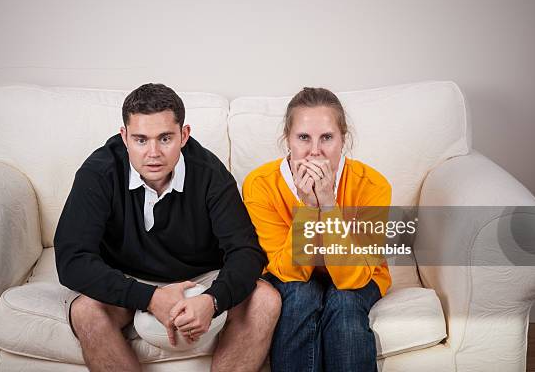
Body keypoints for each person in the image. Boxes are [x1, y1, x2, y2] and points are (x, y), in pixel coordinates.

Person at [54, 83, 281, 372]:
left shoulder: (210, 173)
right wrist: (149, 298)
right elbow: (72, 260)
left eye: (165, 138)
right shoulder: (99, 172)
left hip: (201, 278)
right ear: (124, 137)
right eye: (140, 140)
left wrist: (212, 301)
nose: (153, 153)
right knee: (86, 312)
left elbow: (246, 252)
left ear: (184, 135)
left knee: (266, 299)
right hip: (126, 275)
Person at [242, 87, 392, 372]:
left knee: (345, 302)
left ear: (343, 139)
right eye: (303, 138)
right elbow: (287, 272)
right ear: (287, 139)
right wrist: (309, 207)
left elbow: (353, 278)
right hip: (293, 276)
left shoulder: (373, 186)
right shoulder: (260, 184)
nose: (315, 151)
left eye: (327, 137)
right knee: (300, 296)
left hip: (357, 276)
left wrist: (328, 204)